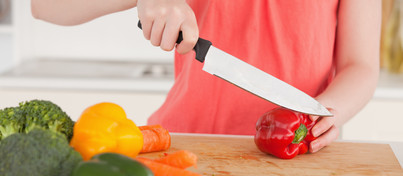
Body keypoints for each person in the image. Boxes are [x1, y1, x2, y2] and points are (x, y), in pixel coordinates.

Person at [31, 0, 381, 153]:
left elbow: (360, 65)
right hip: (183, 145)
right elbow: (46, 5)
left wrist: (329, 112)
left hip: (297, 152)